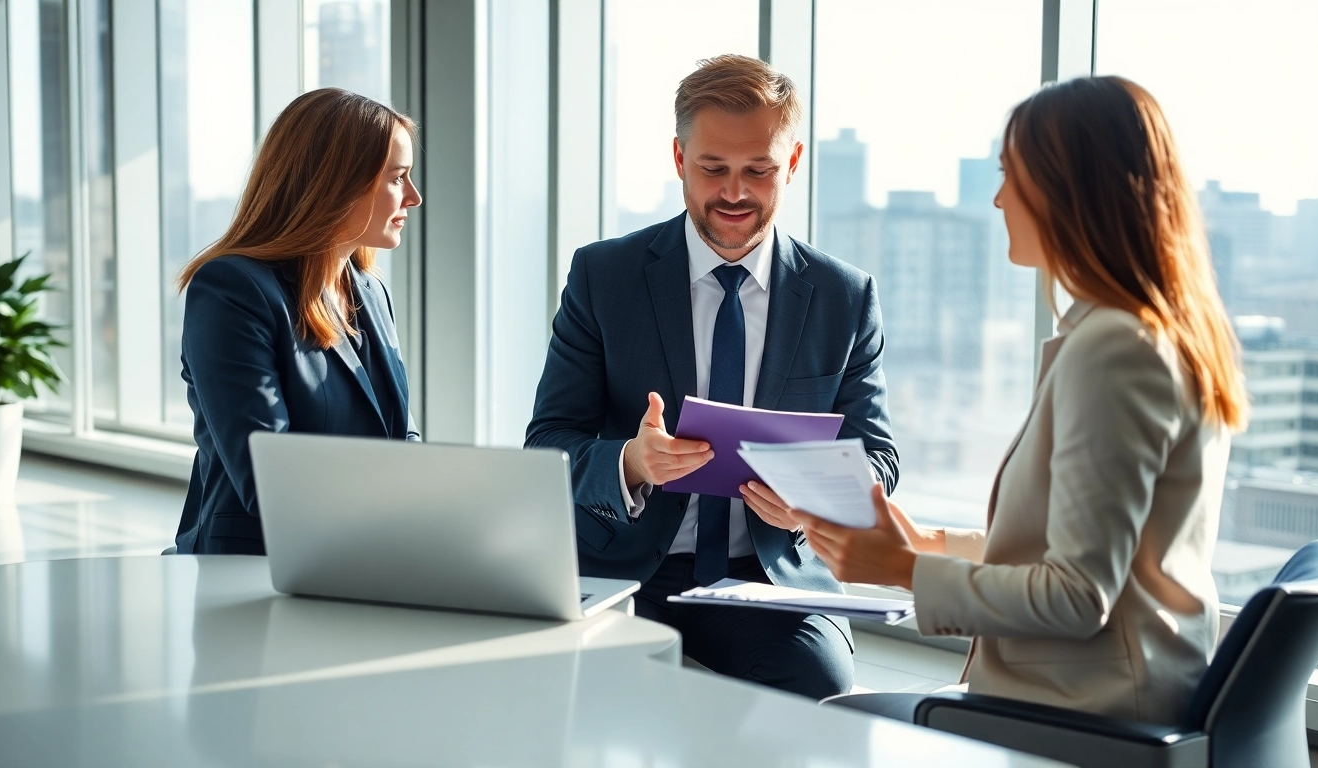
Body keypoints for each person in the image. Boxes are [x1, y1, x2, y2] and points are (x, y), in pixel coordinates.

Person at [795, 76, 1248, 725]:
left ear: (1070, 191)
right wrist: (927, 544)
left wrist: (903, 570)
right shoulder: (1145, 332)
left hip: (1089, 710)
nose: (1000, 197)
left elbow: (1076, 595)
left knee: (828, 728)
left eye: (1014, 176)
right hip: (1115, 691)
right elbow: (1080, 550)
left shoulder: (1115, 350)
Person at [526, 55, 899, 700]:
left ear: (794, 161)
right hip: (622, 570)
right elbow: (548, 442)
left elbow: (880, 457)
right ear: (678, 158)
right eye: (713, 169)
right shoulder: (603, 277)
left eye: (759, 170)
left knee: (819, 685)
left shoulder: (844, 296)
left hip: (769, 574)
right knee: (569, 691)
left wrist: (814, 495)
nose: (734, 193)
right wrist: (630, 463)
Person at [173, 88, 423, 556]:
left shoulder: (369, 290)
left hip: (366, 553)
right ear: (337, 183)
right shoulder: (232, 289)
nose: (414, 196)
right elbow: (267, 476)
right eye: (398, 178)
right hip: (259, 567)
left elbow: (400, 435)